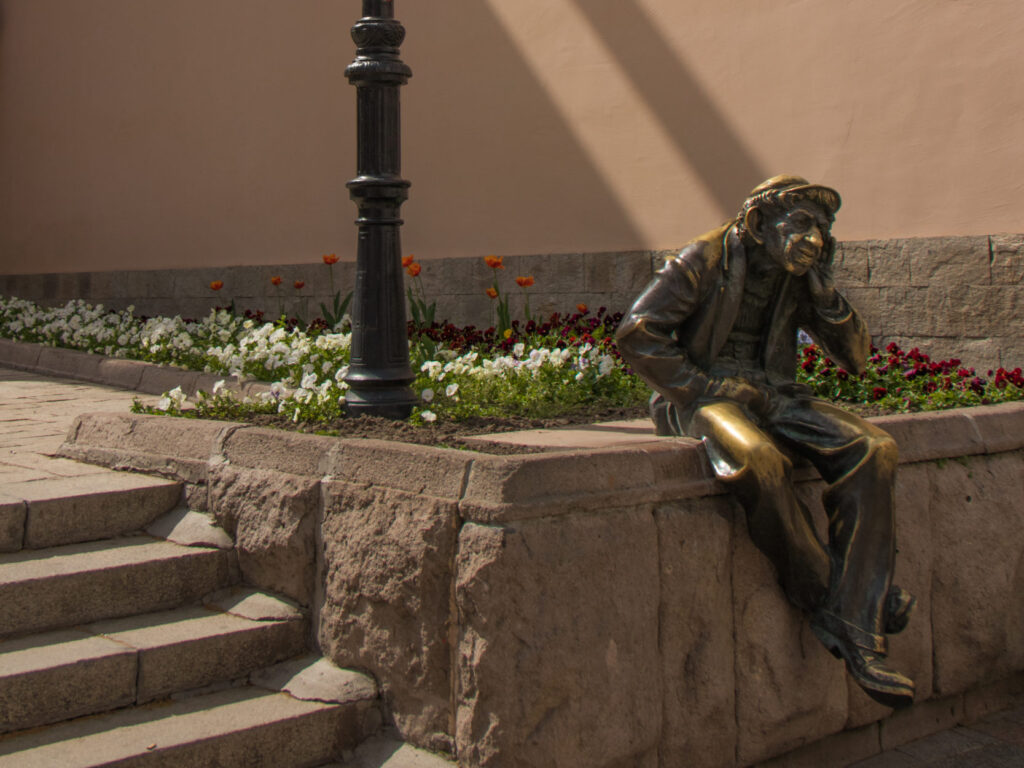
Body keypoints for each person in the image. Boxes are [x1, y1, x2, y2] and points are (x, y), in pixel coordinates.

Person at [616, 175, 915, 708]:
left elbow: (857, 359)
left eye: (823, 228)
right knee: (760, 460)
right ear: (759, 222)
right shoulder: (703, 258)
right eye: (802, 222)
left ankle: (849, 608)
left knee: (875, 449)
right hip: (701, 397)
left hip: (775, 393)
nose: (815, 238)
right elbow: (637, 332)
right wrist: (706, 386)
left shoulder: (800, 274)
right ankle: (847, 608)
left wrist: (825, 296)